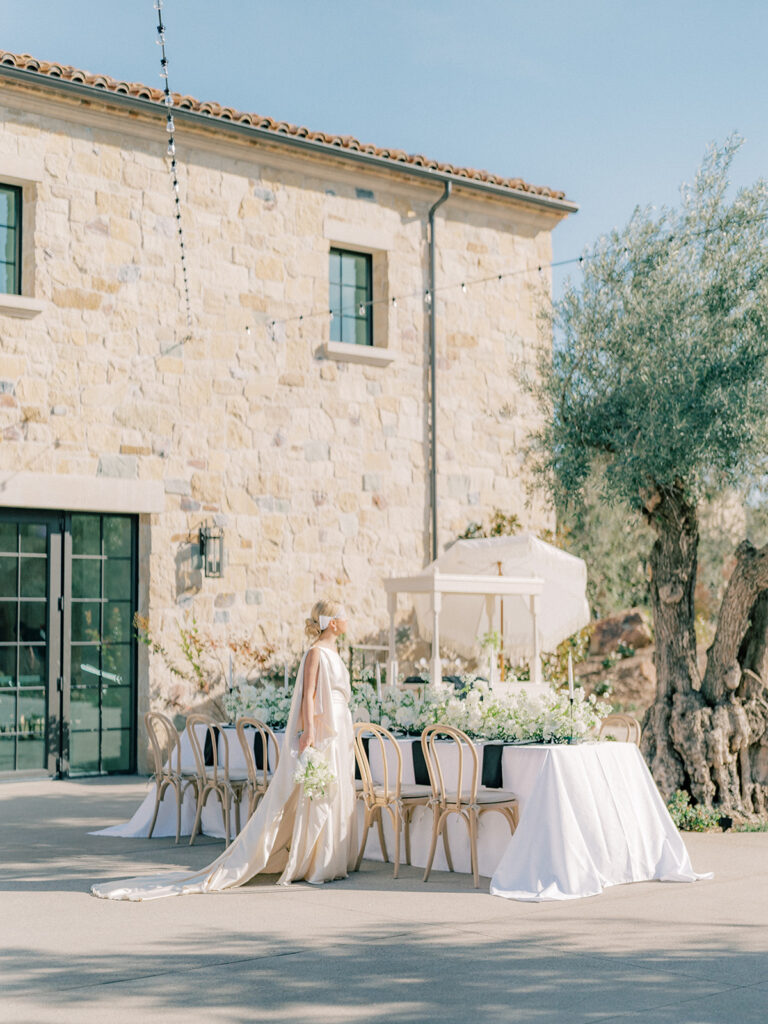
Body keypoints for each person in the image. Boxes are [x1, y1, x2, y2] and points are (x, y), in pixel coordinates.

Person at [91, 598, 358, 900]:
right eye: (344, 615)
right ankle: (314, 861)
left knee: (334, 790)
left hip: (341, 725)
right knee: (318, 792)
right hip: (324, 728)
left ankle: (332, 858)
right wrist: (308, 731)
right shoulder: (315, 653)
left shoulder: (336, 652)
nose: (349, 619)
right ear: (332, 622)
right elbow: (308, 696)